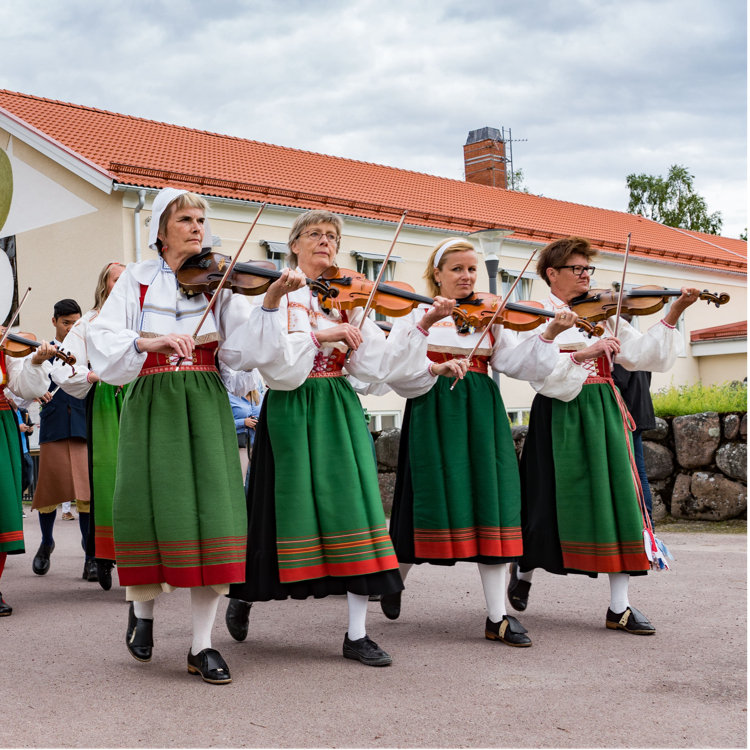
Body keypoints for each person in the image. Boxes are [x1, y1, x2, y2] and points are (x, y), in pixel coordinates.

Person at [88, 187, 305, 684]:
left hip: (206, 399)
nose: (196, 227)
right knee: (149, 510)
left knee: (214, 515)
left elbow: (243, 353)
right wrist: (150, 339)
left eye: (200, 219)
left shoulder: (221, 283)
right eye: (185, 219)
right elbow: (103, 341)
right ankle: (142, 615)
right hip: (151, 398)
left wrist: (270, 302)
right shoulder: (137, 281)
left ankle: (201, 645)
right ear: (160, 231)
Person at [225, 209, 446, 667]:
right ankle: (245, 595)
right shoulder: (277, 293)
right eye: (315, 234)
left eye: (332, 236)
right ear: (295, 245)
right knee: (276, 509)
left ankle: (357, 633)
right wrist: (323, 335)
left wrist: (393, 333)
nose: (325, 241)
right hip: (291, 405)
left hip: (339, 406)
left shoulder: (348, 296)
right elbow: (275, 365)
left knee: (356, 511)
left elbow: (374, 373)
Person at [380, 237, 576, 646]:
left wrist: (548, 334)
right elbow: (394, 370)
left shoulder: (491, 316)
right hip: (433, 409)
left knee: (495, 502)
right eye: (457, 269)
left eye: (472, 269)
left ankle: (497, 617)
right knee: (427, 503)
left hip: (482, 409)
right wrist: (427, 327)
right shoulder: (416, 313)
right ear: (437, 274)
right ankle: (393, 581)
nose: (467, 276)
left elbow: (515, 365)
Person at [507, 236, 699, 634]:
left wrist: (674, 310)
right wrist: (580, 354)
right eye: (577, 269)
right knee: (545, 501)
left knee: (621, 501)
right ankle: (523, 569)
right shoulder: (536, 313)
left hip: (606, 411)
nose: (586, 276)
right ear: (552, 274)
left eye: (588, 269)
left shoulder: (604, 314)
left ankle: (620, 607)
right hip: (561, 411)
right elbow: (530, 370)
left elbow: (643, 355)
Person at [51, 261, 126, 589]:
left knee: (143, 475)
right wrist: (92, 374)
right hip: (108, 400)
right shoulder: (89, 323)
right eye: (117, 278)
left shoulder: (142, 319)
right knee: (108, 475)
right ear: (104, 285)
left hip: (141, 395)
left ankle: (146, 554)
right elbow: (61, 368)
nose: (124, 283)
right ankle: (104, 554)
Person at [30, 299, 91, 579]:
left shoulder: (87, 353)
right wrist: (34, 390)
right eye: (66, 323)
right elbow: (22, 389)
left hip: (81, 425)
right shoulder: (42, 353)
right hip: (54, 425)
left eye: (75, 323)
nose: (70, 328)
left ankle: (90, 554)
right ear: (54, 321)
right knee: (49, 491)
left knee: (86, 494)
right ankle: (46, 542)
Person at [0, 328, 57, 615]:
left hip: (1, 427)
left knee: (1, 508)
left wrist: (34, 363)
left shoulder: (6, 347)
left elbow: (24, 390)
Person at [220, 363, 264, 487]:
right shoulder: (229, 397)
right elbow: (224, 422)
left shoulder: (258, 397)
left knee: (257, 479)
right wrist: (243, 422)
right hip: (240, 444)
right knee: (241, 479)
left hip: (257, 442)